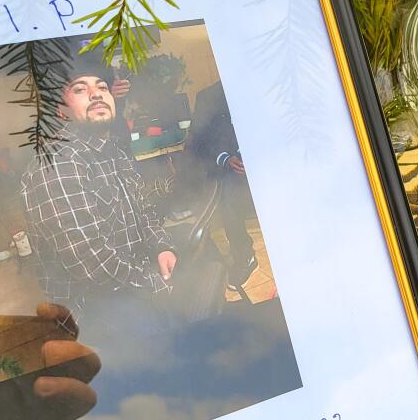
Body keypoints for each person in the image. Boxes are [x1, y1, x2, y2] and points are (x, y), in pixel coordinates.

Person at [20, 53, 178, 346]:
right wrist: (152, 283)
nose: (95, 94)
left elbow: (141, 210)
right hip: (92, 304)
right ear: (62, 111)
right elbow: (92, 264)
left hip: (128, 277)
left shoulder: (113, 151)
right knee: (160, 345)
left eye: (102, 87)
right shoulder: (58, 164)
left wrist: (161, 245)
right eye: (80, 89)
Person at [185, 81, 257, 285]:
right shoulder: (207, 96)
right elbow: (200, 141)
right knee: (227, 193)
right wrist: (226, 158)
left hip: (268, 159)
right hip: (232, 168)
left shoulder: (259, 86)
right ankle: (245, 255)